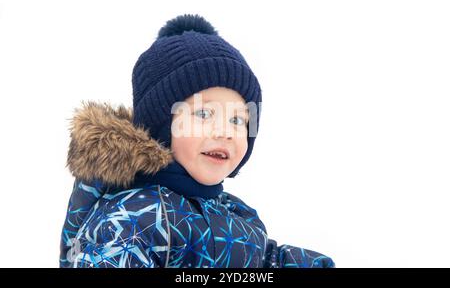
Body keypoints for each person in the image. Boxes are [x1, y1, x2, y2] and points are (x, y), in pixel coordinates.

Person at [59, 14, 335, 268]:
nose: (225, 132)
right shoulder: (134, 220)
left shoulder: (234, 213)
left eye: (237, 120)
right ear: (161, 125)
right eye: (204, 113)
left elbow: (262, 260)